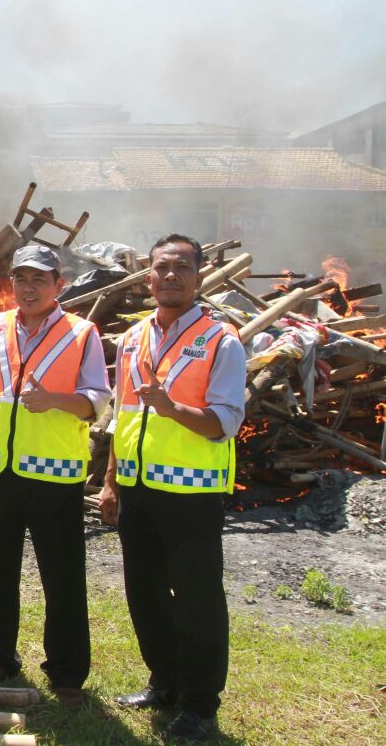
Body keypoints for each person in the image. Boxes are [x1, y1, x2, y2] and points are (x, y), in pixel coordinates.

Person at [98, 234, 246, 741]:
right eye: (163, 268)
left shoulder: (220, 340)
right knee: (145, 593)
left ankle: (200, 705)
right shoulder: (135, 337)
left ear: (199, 276)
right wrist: (112, 482)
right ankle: (164, 682)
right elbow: (122, 417)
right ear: (148, 277)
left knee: (199, 599)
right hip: (138, 489)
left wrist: (171, 408)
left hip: (192, 493)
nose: (171, 276)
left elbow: (223, 422)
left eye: (182, 267)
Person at [0, 245, 110, 705]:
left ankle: (67, 672)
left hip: (55, 474)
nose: (28, 288)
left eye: (39, 280)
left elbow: (96, 401)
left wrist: (55, 400)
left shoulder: (82, 333)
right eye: (21, 279)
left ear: (58, 286)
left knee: (62, 575)